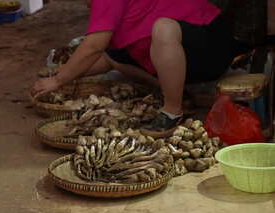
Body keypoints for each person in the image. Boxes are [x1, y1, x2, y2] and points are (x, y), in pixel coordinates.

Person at [31, 0, 239, 137]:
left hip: (212, 43)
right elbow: (104, 59)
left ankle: (172, 112)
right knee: (118, 57)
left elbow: (94, 46)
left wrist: (58, 81)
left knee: (163, 28)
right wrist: (60, 75)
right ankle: (180, 93)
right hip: (188, 54)